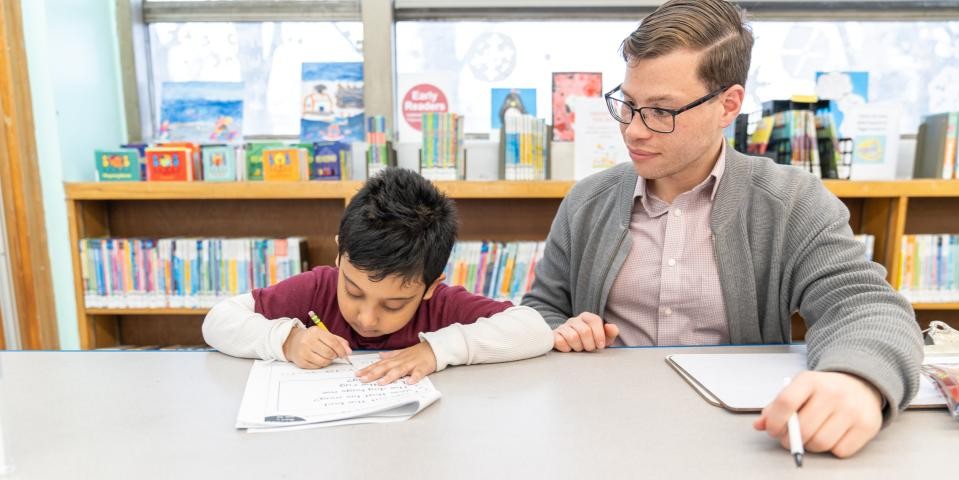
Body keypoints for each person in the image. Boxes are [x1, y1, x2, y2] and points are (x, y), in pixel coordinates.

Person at [522, 0, 922, 458]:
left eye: (661, 111)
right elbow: (542, 308)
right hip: (598, 429)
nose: (633, 131)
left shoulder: (792, 202)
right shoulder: (587, 201)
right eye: (628, 105)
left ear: (727, 105)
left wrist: (858, 380)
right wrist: (564, 329)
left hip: (742, 439)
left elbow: (864, 306)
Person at [204, 168, 552, 384]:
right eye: (354, 293)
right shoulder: (317, 288)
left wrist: (437, 350)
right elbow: (218, 321)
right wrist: (287, 341)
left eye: (395, 303)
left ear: (431, 286)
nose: (367, 318)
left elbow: (534, 329)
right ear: (340, 255)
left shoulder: (442, 306)